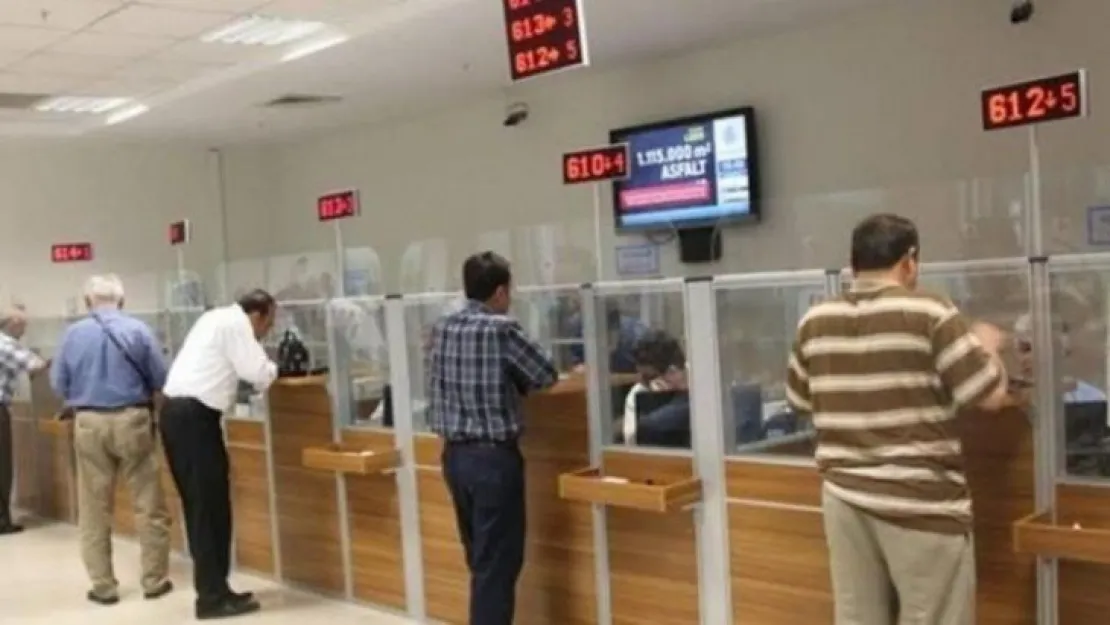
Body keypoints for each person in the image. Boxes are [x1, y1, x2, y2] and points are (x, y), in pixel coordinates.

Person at [786, 214, 1014, 625]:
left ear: (853, 263)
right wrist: (989, 347)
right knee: (933, 616)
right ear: (909, 261)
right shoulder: (930, 310)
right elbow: (988, 395)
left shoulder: (814, 320)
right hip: (920, 499)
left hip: (844, 496)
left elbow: (799, 400)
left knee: (857, 617)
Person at [426, 252, 558, 625]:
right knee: (497, 566)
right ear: (500, 292)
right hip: (493, 462)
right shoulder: (501, 331)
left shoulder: (443, 327)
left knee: (480, 559)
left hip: (455, 458)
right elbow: (545, 374)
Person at [50, 275, 173, 605]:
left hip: (89, 421)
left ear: (87, 301)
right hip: (133, 418)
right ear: (122, 299)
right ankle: (154, 580)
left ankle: (103, 586)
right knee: (148, 503)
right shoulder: (138, 330)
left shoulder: (72, 335)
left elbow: (58, 383)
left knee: (94, 508)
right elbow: (161, 377)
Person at [160, 289, 278, 620]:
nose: (267, 331)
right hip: (193, 420)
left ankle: (217, 589)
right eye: (268, 323)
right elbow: (258, 374)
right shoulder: (236, 325)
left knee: (209, 507)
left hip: (183, 417)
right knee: (207, 509)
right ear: (257, 315)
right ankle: (211, 598)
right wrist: (275, 367)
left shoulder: (214, 318)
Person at [0, 305, 49, 535]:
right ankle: (1, 521)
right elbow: (35, 365)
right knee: (1, 466)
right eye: (23, 325)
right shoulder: (6, 344)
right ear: (12, 324)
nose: (25, 330)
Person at [620, 330, 688, 444]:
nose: (641, 381)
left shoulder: (702, 385)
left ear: (673, 371)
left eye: (648, 377)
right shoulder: (638, 393)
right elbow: (631, 441)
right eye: (640, 375)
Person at [568, 303, 646, 374]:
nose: (603, 344)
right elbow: (575, 364)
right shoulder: (578, 334)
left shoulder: (637, 335)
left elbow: (649, 371)